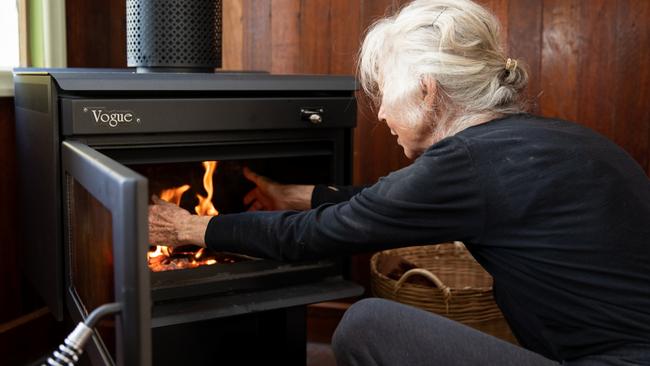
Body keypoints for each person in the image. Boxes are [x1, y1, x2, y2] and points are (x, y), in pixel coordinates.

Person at [148, 0, 650, 364]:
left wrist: (193, 230)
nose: (382, 112)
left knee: (368, 323)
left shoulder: (469, 162)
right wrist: (295, 195)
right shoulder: (554, 139)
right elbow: (390, 200)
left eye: (385, 93)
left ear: (428, 93)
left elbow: (318, 234)